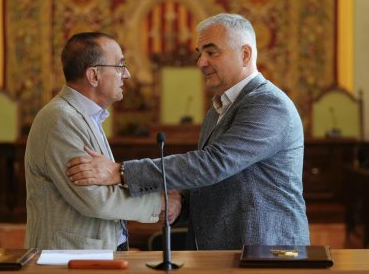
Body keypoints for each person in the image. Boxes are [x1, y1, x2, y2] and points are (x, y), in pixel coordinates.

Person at [66, 14, 310, 250]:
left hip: (266, 251)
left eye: (211, 52)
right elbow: (213, 179)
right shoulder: (219, 107)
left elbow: (214, 164)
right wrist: (179, 201)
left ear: (245, 54)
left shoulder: (268, 104)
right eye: (199, 53)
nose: (201, 62)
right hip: (226, 252)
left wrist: (121, 172)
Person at [24, 32, 181, 251]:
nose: (126, 74)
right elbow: (95, 198)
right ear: (94, 76)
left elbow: (108, 182)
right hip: (67, 259)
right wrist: (159, 203)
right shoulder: (61, 119)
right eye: (119, 66)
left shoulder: (84, 116)